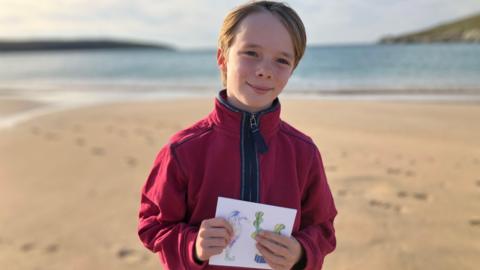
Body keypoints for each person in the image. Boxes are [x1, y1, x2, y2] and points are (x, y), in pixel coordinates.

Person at [137, 1, 337, 269]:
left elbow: (323, 228)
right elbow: (153, 225)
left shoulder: (303, 152)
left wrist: (301, 253)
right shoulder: (183, 149)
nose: (265, 69)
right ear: (222, 57)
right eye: (251, 52)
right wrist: (193, 246)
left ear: (292, 69)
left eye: (281, 60)